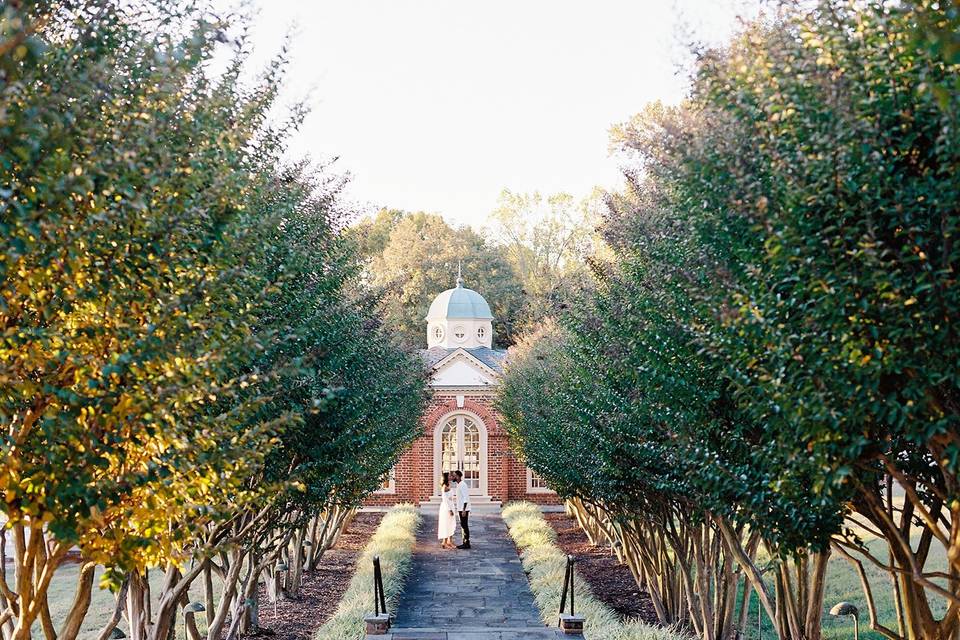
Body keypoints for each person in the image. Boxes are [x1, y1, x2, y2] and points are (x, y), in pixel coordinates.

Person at [437, 472, 456, 549]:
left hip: (451, 505)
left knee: (450, 523)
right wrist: (449, 510)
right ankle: (445, 542)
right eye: (449, 476)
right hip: (446, 507)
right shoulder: (445, 486)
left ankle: (449, 541)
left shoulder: (449, 485)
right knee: (446, 523)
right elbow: (445, 499)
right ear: (446, 477)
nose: (451, 477)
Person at [454, 469, 471, 549]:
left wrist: (464, 510)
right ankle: (465, 542)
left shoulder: (463, 485)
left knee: (464, 525)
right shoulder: (459, 485)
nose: (452, 477)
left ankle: (466, 543)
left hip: (463, 509)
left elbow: (466, 498)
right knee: (463, 525)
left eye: (454, 475)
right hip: (460, 508)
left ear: (457, 476)